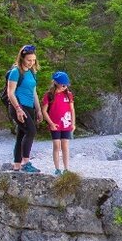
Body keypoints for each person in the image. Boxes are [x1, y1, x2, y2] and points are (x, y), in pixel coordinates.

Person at [6, 44, 43, 173]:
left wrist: (38, 110)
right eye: (29, 60)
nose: (31, 63)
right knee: (31, 131)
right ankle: (26, 162)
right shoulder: (16, 72)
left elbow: (34, 92)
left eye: (33, 60)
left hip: (29, 106)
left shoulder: (32, 72)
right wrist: (18, 109)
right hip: (18, 105)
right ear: (22, 58)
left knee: (21, 135)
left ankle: (17, 165)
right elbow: (10, 92)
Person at [41, 71, 76, 175]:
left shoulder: (68, 95)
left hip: (66, 124)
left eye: (66, 84)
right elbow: (44, 111)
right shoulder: (49, 95)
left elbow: (72, 109)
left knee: (65, 145)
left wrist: (73, 123)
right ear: (56, 83)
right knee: (56, 145)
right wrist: (51, 123)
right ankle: (57, 168)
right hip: (55, 124)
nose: (65, 86)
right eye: (62, 84)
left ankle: (66, 168)